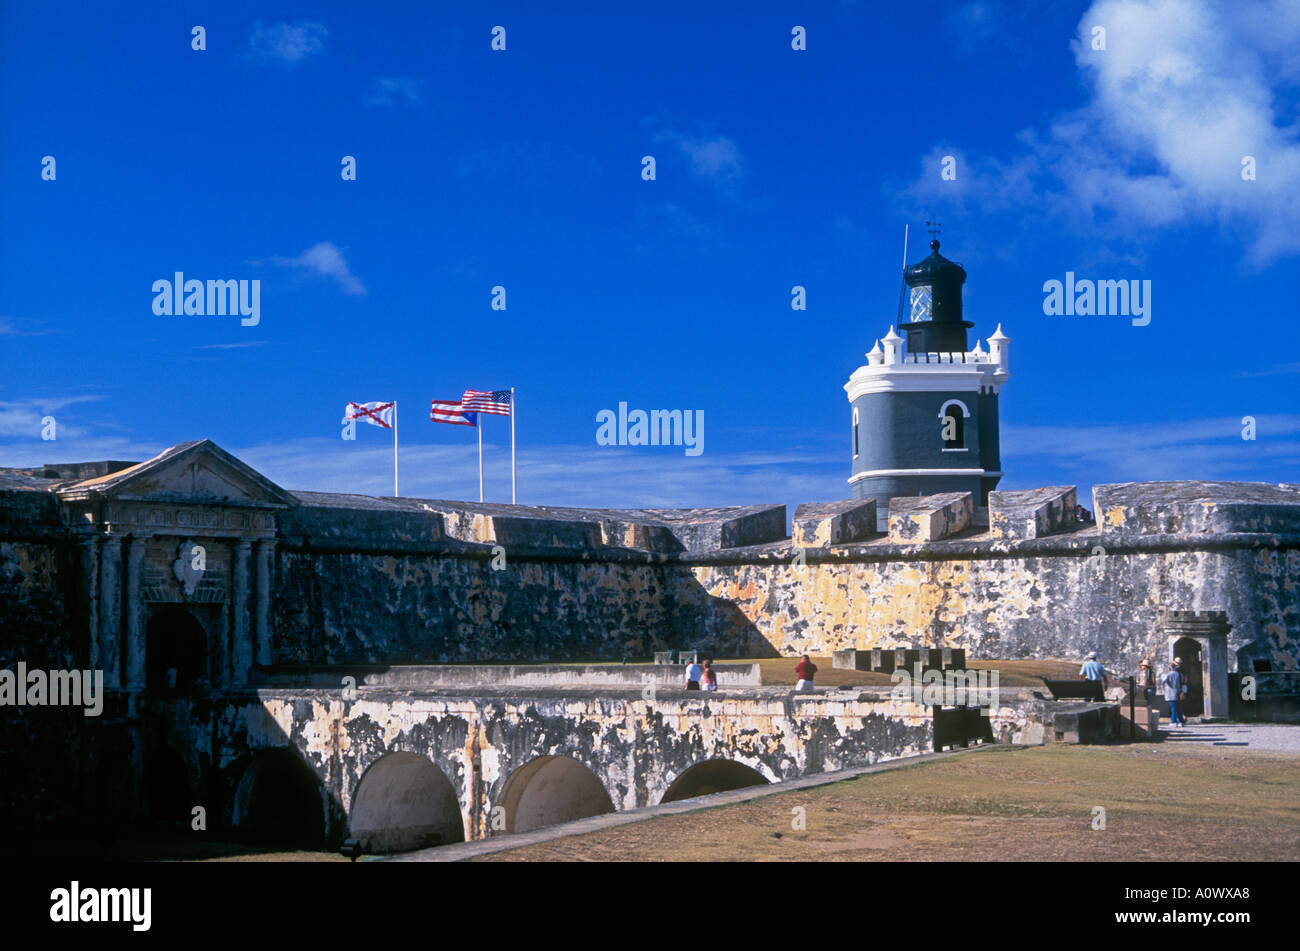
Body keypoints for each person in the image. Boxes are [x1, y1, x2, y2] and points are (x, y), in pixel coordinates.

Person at [1164, 658, 1188, 725]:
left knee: (1173, 707)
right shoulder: (1181, 673)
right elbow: (1185, 681)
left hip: (1172, 693)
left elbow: (1164, 681)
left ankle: (1173, 721)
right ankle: (1181, 721)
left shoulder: (1170, 674)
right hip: (1179, 691)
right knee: (1179, 707)